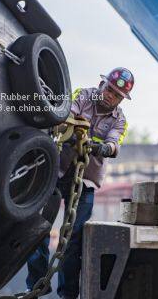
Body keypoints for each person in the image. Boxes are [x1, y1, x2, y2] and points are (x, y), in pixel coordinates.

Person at [26, 67, 134, 299]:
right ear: (102, 84)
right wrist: (74, 130)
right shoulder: (83, 95)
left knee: (74, 238)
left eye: (116, 95)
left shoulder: (120, 120)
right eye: (109, 89)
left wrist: (105, 147)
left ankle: (69, 294)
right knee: (37, 228)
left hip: (84, 182)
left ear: (121, 99)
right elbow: (67, 115)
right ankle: (36, 286)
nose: (110, 96)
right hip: (57, 173)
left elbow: (116, 143)